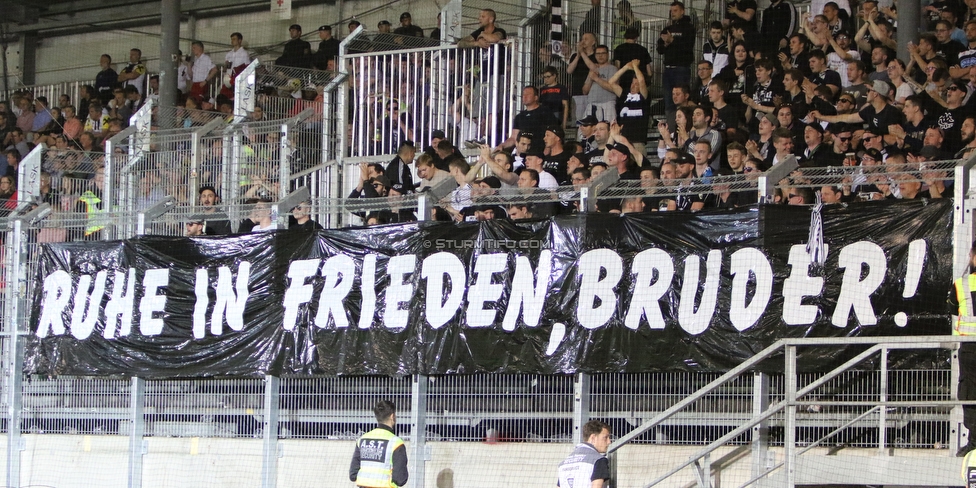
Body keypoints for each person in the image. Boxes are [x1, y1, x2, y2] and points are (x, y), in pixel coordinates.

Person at [950, 241, 976, 457]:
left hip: (970, 347)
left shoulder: (962, 284)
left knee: (970, 393)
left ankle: (974, 442)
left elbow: (950, 307)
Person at [349, 400, 408, 488]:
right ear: (392, 416)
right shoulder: (396, 443)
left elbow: (353, 474)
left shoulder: (362, 439)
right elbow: (400, 479)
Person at [557, 420, 612, 487]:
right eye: (605, 437)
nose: (609, 442)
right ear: (593, 438)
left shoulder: (564, 463)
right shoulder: (598, 460)